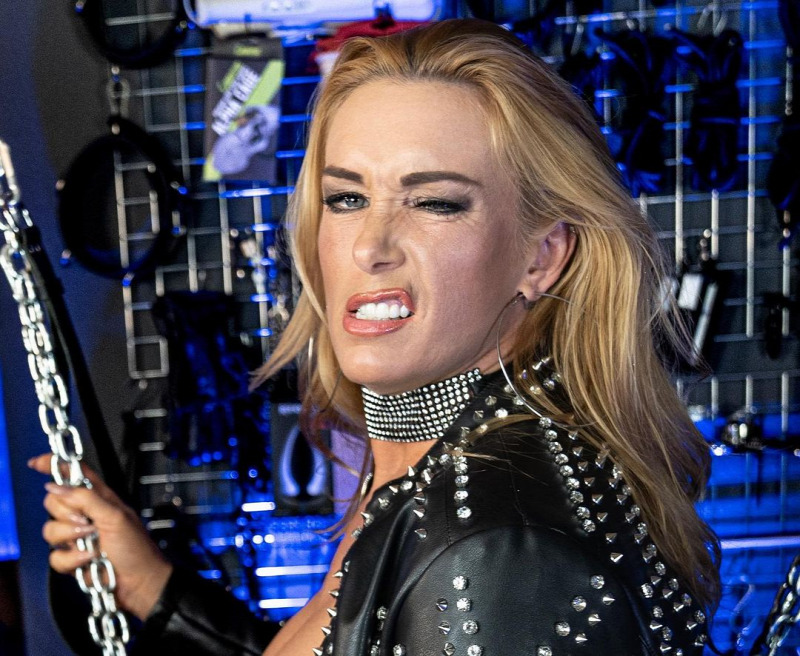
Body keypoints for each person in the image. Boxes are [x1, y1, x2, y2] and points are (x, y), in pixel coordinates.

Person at [30, 18, 720, 656]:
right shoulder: (436, 467)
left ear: (540, 257)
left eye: (435, 203)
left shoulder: (497, 547)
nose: (370, 246)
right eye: (347, 198)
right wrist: (156, 590)